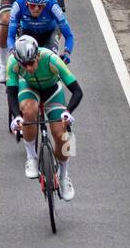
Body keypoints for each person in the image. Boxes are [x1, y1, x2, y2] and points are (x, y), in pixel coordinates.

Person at [6, 35, 82, 199]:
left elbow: (77, 91)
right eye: (24, 65)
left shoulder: (51, 60)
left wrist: (67, 112)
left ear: (37, 56)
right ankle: (31, 157)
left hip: (53, 92)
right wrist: (17, 117)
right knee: (28, 111)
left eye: (31, 63)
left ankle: (64, 176)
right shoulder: (12, 63)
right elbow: (11, 94)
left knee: (63, 134)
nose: (29, 68)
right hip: (29, 89)